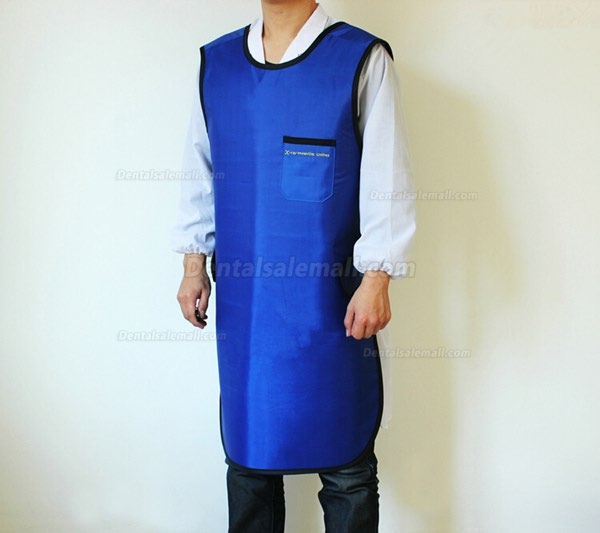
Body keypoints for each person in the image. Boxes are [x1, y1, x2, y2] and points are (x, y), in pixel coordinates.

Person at [171, 1, 416, 531]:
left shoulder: (360, 58)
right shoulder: (217, 64)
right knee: (249, 457)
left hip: (332, 303)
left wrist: (378, 277)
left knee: (346, 463)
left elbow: (386, 175)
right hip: (248, 308)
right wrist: (193, 264)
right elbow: (199, 168)